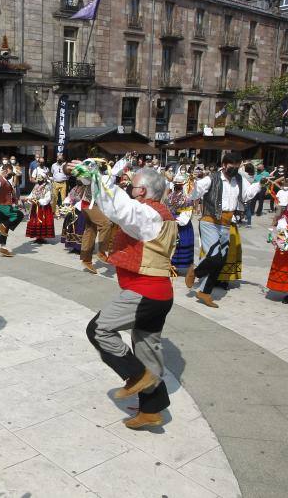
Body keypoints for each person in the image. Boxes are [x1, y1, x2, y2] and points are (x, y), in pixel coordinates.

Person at [85, 156, 176, 429]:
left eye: (131, 186)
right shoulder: (158, 213)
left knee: (98, 330)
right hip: (158, 294)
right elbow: (119, 210)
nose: (128, 189)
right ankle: (152, 410)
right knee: (148, 352)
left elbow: (121, 210)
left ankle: (135, 376)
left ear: (143, 191)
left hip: (145, 292)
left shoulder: (148, 213)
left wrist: (96, 178)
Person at [184, 153, 262, 308]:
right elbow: (193, 195)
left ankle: (204, 292)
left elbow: (246, 196)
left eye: (237, 165)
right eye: (232, 165)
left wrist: (260, 184)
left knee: (220, 262)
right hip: (210, 222)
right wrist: (193, 183)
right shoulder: (211, 178)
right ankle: (196, 272)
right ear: (224, 164)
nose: (235, 168)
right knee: (215, 257)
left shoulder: (239, 179)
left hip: (227, 223)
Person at [0, 163, 25, 257]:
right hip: (2, 206)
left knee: (5, 229)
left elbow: (10, 191)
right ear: (6, 170)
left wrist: (15, 201)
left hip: (4, 206)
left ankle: (3, 247)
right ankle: (4, 226)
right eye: (10, 171)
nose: (11, 173)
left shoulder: (5, 180)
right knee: (19, 215)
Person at [166, 174, 194, 274]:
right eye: (176, 184)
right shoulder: (170, 196)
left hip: (182, 223)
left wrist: (179, 221)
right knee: (171, 245)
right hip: (171, 222)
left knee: (181, 243)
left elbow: (187, 213)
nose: (177, 186)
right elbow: (167, 208)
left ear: (183, 185)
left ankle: (179, 267)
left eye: (179, 184)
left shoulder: (187, 198)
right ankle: (171, 266)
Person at [25, 171, 54, 243]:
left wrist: (39, 201)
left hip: (44, 208)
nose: (39, 179)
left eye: (40, 178)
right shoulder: (36, 186)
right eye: (38, 178)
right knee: (35, 221)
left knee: (43, 221)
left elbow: (48, 198)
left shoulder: (47, 186)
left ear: (44, 178)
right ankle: (37, 237)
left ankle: (42, 237)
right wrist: (28, 198)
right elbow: (32, 194)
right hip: (36, 206)